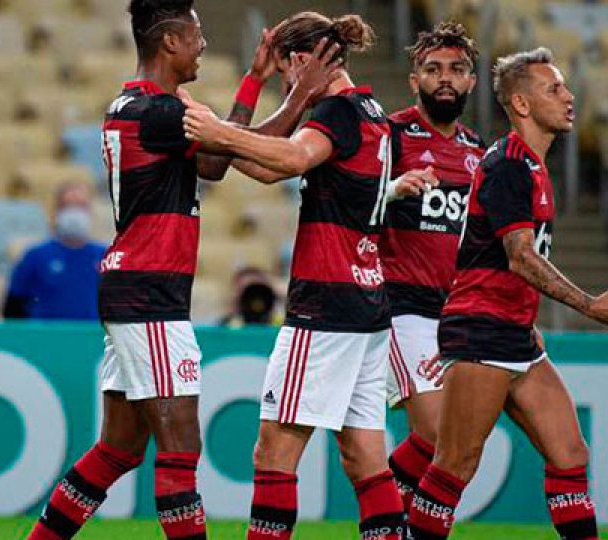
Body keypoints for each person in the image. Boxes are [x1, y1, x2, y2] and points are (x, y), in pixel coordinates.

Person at [26, 1, 339, 539]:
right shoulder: (159, 114)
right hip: (151, 297)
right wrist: (302, 97)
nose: (202, 45)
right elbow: (243, 152)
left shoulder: (140, 108)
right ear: (170, 42)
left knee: (118, 449)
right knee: (180, 451)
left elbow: (215, 160)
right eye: (195, 36)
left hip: (135, 289)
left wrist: (253, 81)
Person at [180, 11, 437, 540]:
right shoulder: (371, 112)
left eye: (284, 75)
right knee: (366, 456)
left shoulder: (338, 115)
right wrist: (234, 123)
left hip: (325, 306)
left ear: (300, 62)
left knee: (274, 451)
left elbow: (292, 158)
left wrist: (214, 129)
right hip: (368, 307)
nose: (287, 85)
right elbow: (265, 164)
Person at [405, 47, 608, 540]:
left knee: (569, 454)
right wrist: (589, 305)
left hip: (513, 332)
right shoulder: (508, 165)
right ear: (521, 104)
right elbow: (519, 255)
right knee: (454, 466)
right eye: (554, 88)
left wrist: (527, 318)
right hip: (481, 331)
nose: (569, 96)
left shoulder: (535, 167)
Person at [377, 21, 485, 515]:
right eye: (433, 69)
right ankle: (389, 520)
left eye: (456, 69)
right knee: (440, 433)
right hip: (402, 306)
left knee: (454, 445)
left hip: (458, 313)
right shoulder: (390, 135)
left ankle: (389, 521)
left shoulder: (480, 153)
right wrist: (394, 187)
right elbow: (346, 201)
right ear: (413, 80)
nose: (445, 78)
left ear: (472, 81)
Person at [2, 182, 106, 321]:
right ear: (56, 211)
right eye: (67, 206)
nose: (74, 213)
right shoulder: (35, 256)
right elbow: (12, 308)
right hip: (46, 338)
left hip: (91, 337)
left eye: (81, 206)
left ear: (90, 211)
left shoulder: (105, 256)